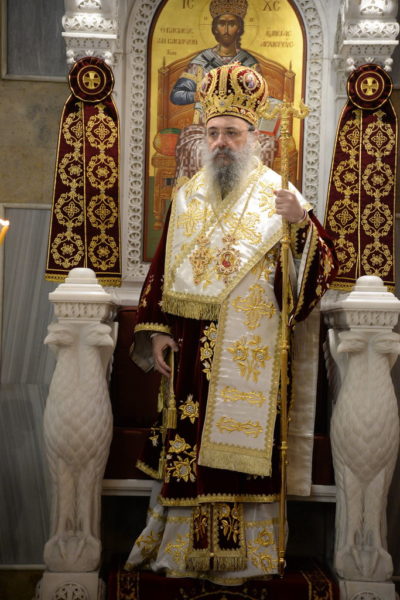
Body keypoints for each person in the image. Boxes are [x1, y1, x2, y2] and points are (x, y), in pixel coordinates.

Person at [125, 63, 337, 585]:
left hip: (254, 349)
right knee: (191, 449)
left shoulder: (281, 195)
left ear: (253, 137)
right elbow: (162, 270)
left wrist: (300, 225)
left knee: (244, 456)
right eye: (214, 132)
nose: (222, 142)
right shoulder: (187, 196)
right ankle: (180, 551)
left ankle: (252, 557)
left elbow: (318, 276)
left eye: (232, 133)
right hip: (192, 352)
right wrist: (158, 331)